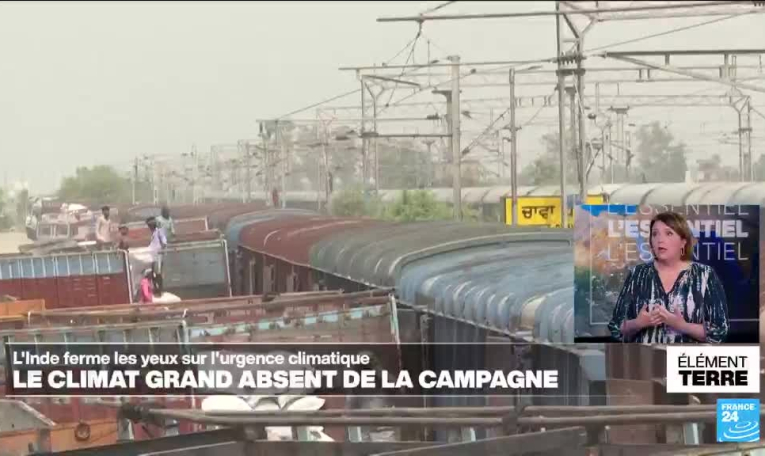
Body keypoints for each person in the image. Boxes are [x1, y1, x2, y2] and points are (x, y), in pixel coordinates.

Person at [608, 211, 729, 344]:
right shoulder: (638, 274)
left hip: (685, 357)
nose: (660, 239)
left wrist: (682, 326)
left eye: (669, 233)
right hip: (645, 356)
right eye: (655, 234)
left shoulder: (704, 275)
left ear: (683, 242)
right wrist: (638, 323)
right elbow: (616, 328)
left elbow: (719, 332)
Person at [147, 216, 167, 294]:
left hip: (158, 255)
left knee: (158, 273)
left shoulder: (159, 231)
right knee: (151, 272)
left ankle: (160, 289)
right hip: (151, 256)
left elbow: (164, 243)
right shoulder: (151, 233)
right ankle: (156, 288)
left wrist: (160, 251)